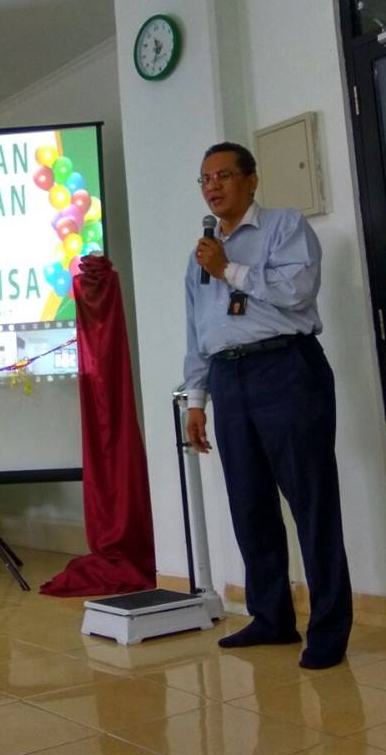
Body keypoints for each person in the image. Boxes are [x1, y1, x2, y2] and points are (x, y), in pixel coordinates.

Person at [184, 141, 352, 669]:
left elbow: (297, 291)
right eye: (205, 179)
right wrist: (196, 398)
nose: (212, 186)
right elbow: (198, 329)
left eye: (223, 175)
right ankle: (272, 618)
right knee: (250, 504)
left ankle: (329, 630)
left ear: (251, 180)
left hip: (286, 369)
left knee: (311, 502)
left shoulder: (284, 226)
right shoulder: (201, 253)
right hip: (227, 378)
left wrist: (229, 270)